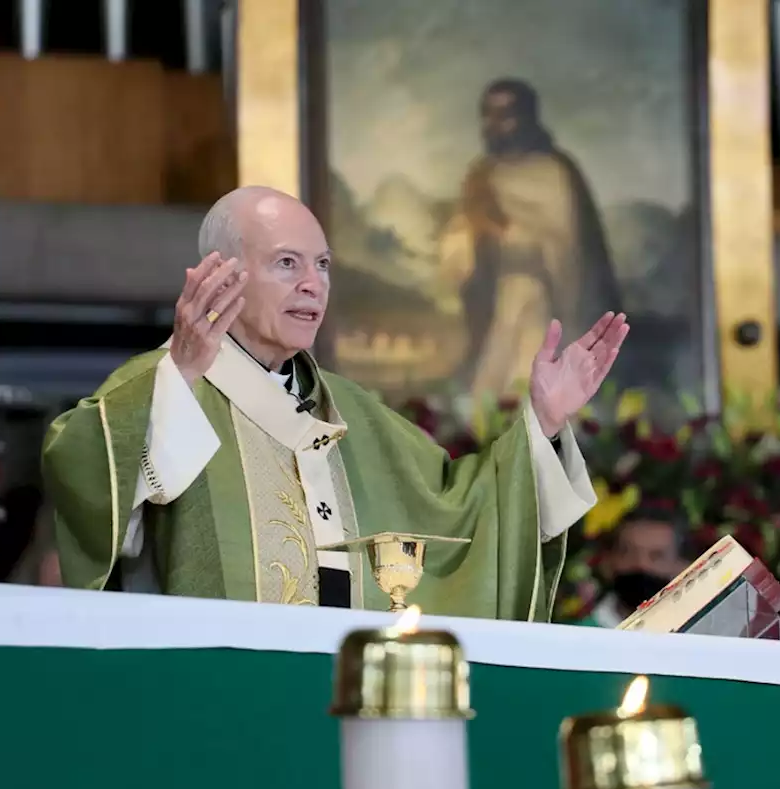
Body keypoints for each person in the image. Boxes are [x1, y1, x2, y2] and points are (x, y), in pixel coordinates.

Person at [42, 186, 628, 620]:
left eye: (322, 265)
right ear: (222, 275)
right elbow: (87, 487)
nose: (313, 284)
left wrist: (545, 421)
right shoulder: (167, 384)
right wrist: (182, 376)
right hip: (228, 698)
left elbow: (462, 511)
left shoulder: (350, 411)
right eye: (287, 264)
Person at [439, 78, 623, 398]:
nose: (495, 124)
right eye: (488, 115)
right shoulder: (481, 175)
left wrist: (517, 237)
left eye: (505, 114)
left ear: (526, 117)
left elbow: (570, 248)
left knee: (535, 379)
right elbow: (461, 236)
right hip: (498, 302)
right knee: (493, 389)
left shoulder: (556, 172)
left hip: (544, 300)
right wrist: (468, 244)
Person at [578, 506, 688, 628]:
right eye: (629, 553)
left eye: (657, 556)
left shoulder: (699, 636)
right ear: (608, 562)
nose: (642, 565)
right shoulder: (573, 637)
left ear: (683, 566)